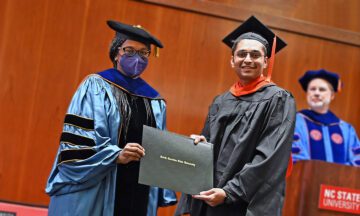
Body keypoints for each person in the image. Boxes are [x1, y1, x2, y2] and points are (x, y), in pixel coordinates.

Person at [45, 20, 177, 216]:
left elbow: (158, 150)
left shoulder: (154, 101)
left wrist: (191, 148)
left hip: (138, 193)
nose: (137, 58)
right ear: (116, 53)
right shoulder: (95, 87)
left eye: (143, 53)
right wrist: (115, 155)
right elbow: (77, 146)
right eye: (129, 50)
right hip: (98, 189)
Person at [175, 16, 296, 216]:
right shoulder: (221, 101)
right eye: (242, 54)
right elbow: (210, 145)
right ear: (232, 61)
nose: (248, 59)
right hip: (209, 198)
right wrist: (200, 145)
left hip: (242, 202)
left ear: (266, 61)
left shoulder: (279, 100)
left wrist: (229, 192)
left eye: (255, 55)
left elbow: (269, 157)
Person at [291, 69, 360, 166]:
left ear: (332, 95)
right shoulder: (295, 122)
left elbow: (356, 161)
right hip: (306, 180)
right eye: (312, 89)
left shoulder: (346, 129)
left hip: (340, 181)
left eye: (322, 89)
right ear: (307, 94)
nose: (316, 93)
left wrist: (336, 178)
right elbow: (296, 158)